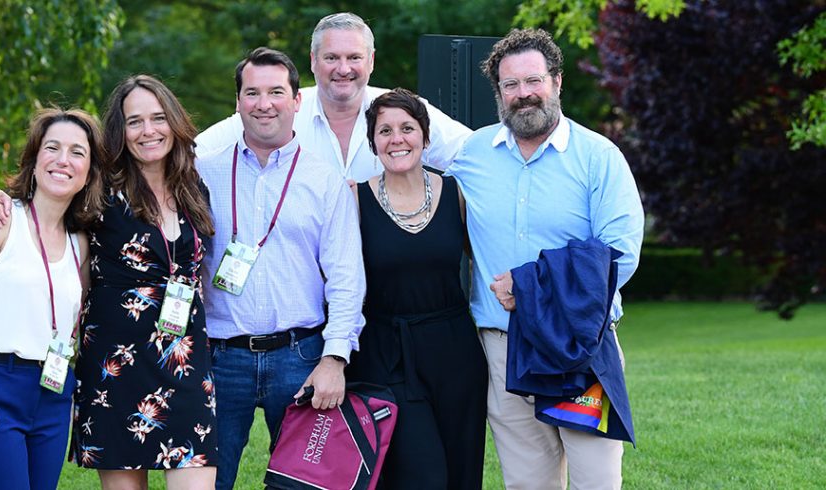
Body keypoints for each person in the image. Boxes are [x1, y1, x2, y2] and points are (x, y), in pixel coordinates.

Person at [0, 75, 219, 489]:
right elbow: (47, 201)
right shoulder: (101, 190)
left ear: (174, 122)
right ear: (120, 130)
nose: (148, 131)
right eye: (135, 121)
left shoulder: (194, 188)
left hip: (185, 362)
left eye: (158, 118)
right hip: (115, 369)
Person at [447, 28, 645, 489]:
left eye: (532, 81)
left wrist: (531, 287)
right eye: (510, 85)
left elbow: (619, 255)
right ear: (498, 92)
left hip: (578, 345)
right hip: (503, 346)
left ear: (557, 81)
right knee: (526, 482)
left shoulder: (599, 157)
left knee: (595, 479)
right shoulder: (471, 155)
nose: (523, 95)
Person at [196, 47, 365, 490]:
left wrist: (334, 359)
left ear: (296, 101)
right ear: (237, 103)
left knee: (304, 484)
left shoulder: (324, 180)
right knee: (206, 482)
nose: (263, 103)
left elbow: (347, 279)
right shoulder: (201, 174)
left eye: (275, 92)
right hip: (219, 357)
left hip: (301, 358)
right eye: (251, 93)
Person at [0, 107, 105, 489]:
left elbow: (76, 323)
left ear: (88, 173)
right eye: (52, 148)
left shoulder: (80, 242)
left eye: (77, 152)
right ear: (34, 160)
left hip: (52, 394)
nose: (63, 160)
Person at [346, 88, 487, 489]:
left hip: (456, 354)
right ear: (372, 142)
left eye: (407, 128)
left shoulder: (456, 194)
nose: (397, 139)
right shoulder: (355, 199)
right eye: (384, 130)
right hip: (385, 354)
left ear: (425, 137)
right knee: (419, 477)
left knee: (462, 476)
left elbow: (485, 259)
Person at [196, 12, 471, 183]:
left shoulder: (403, 112)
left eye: (354, 57)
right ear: (313, 60)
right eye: (331, 58)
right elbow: (192, 155)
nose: (343, 69)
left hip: (387, 269)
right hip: (305, 272)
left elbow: (473, 157)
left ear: (371, 61)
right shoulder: (279, 110)